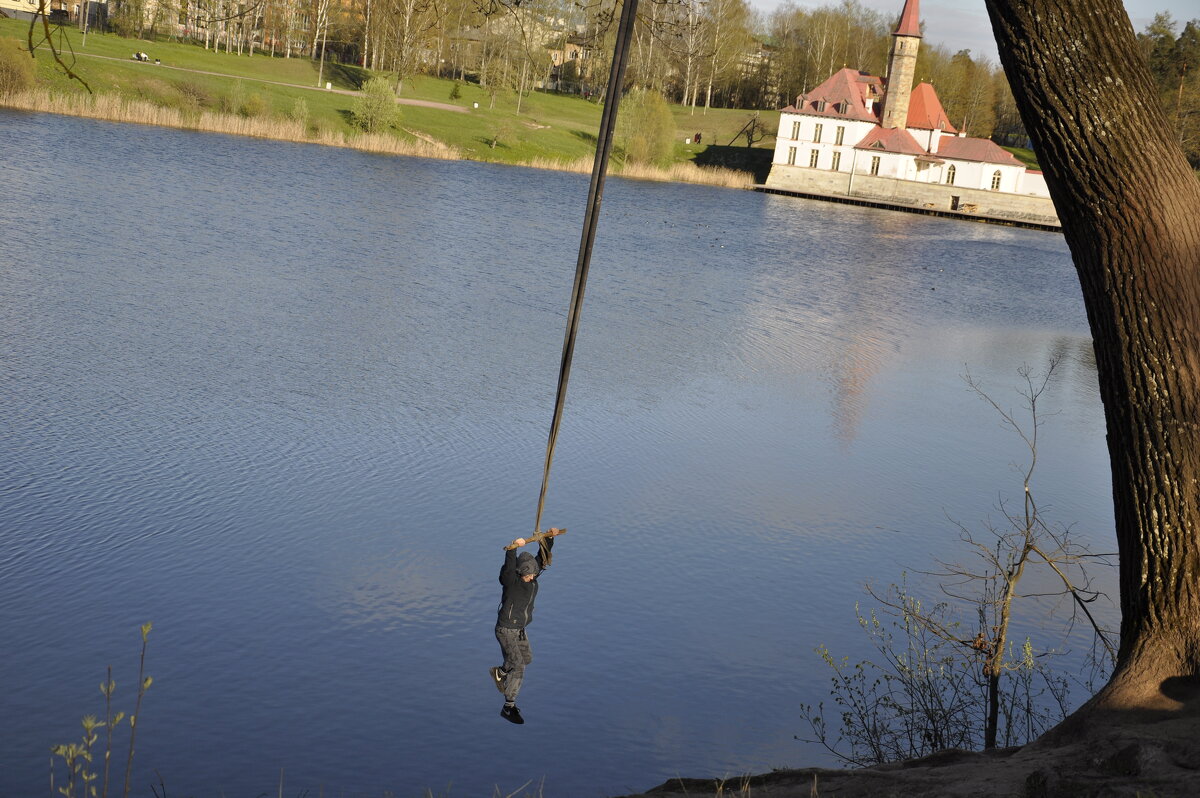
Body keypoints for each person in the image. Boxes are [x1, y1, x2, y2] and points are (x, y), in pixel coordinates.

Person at [490, 528, 563, 724]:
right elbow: (508, 568)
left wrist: (549, 538)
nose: (532, 578)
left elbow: (542, 558)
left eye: (533, 575)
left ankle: (501, 672)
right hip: (506, 630)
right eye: (528, 575)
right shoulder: (511, 581)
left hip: (520, 630)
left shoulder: (532, 575)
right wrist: (513, 549)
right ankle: (508, 707)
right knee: (519, 666)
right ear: (521, 572)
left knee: (526, 658)